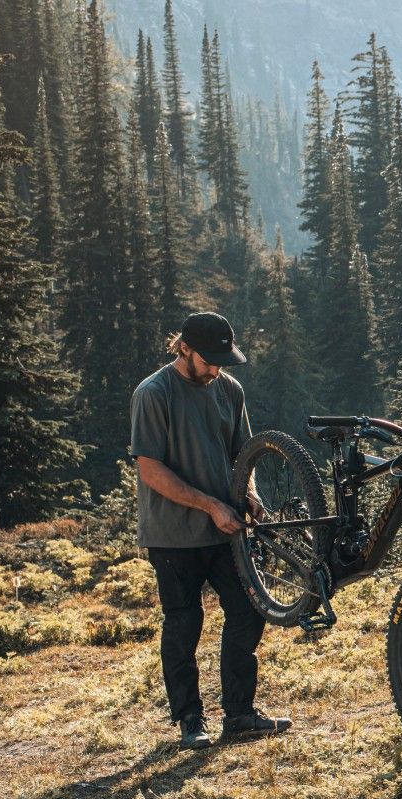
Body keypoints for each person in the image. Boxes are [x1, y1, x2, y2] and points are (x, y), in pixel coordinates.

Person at [129, 312, 291, 750]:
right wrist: (210, 505)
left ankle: (239, 714)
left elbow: (244, 454)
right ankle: (190, 720)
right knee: (184, 622)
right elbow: (150, 470)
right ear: (183, 348)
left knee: (248, 610)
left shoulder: (230, 390)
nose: (216, 369)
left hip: (226, 530)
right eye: (208, 360)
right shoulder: (153, 393)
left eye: (223, 361)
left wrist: (250, 495)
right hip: (172, 535)